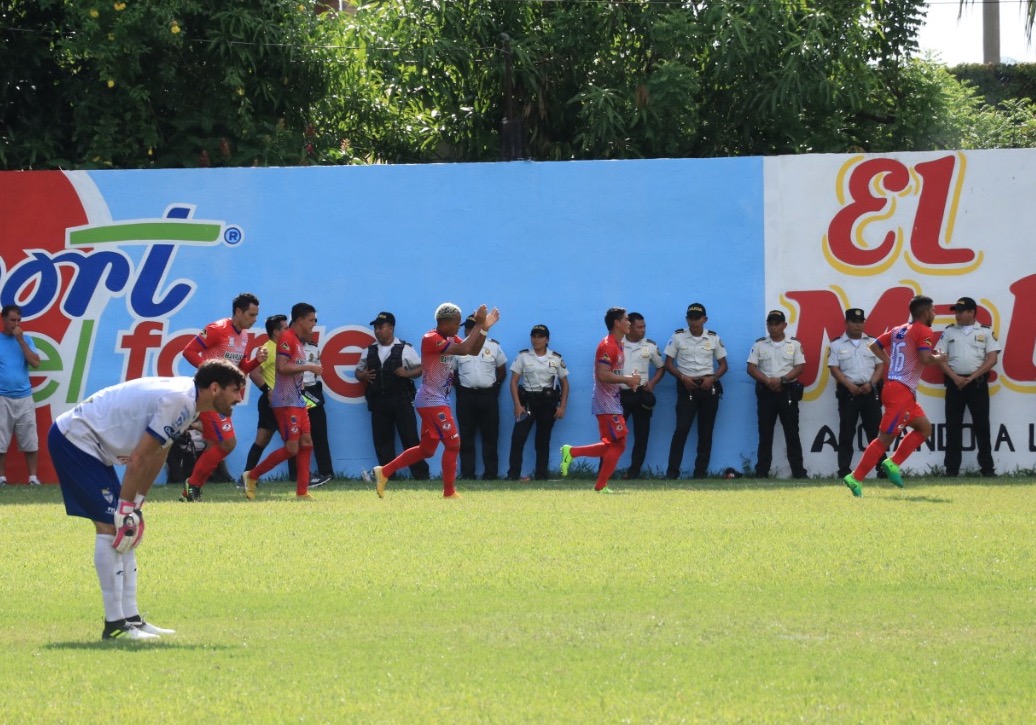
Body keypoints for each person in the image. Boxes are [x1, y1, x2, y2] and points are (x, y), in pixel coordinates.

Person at [51, 358, 246, 640]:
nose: (239, 397)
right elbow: (140, 458)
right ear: (215, 388)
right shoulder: (181, 401)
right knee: (111, 527)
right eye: (236, 390)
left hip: (91, 442)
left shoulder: (190, 404)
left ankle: (131, 619)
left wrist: (137, 503)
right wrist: (125, 509)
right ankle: (115, 626)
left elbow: (159, 452)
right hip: (75, 439)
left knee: (126, 529)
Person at [372, 303, 500, 499]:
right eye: (456, 323)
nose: (458, 327)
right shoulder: (431, 338)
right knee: (454, 444)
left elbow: (472, 351)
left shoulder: (448, 337)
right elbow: (465, 347)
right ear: (445, 322)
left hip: (439, 400)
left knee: (427, 450)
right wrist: (478, 325)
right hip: (431, 401)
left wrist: (484, 328)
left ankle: (384, 471)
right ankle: (449, 492)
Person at [842, 295, 948, 496]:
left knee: (924, 428)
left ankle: (893, 463)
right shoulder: (924, 330)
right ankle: (855, 478)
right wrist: (940, 358)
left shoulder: (899, 329)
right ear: (925, 313)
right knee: (884, 439)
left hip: (899, 388)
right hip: (900, 390)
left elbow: (874, 346)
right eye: (933, 310)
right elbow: (925, 359)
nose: (934, 314)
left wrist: (890, 362)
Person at [180, 292, 266, 502]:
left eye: (256, 315)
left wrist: (256, 361)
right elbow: (188, 351)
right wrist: (211, 373)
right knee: (227, 443)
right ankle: (191, 486)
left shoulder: (244, 335)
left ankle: (190, 491)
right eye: (251, 315)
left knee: (216, 445)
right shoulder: (217, 329)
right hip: (209, 394)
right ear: (238, 311)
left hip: (223, 397)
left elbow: (241, 368)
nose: (255, 320)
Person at [242, 303, 322, 500]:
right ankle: (251, 476)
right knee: (292, 448)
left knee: (307, 442)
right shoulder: (286, 339)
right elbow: (282, 367)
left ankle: (302, 492)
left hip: (297, 400)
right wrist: (309, 367)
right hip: (285, 402)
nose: (314, 324)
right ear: (300, 320)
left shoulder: (296, 340)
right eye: (311, 320)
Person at [560, 307, 641, 493]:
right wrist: (628, 380)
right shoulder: (607, 345)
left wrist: (629, 381)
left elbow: (612, 374)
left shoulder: (619, 345)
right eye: (626, 319)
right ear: (617, 323)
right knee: (619, 445)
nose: (629, 323)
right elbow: (602, 374)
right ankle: (600, 484)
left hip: (612, 400)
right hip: (605, 403)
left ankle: (572, 453)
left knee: (612, 445)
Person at [355, 312, 429, 481]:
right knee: (382, 441)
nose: (377, 331)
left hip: (401, 400)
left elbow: (421, 368)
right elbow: (358, 371)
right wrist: (363, 376)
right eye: (375, 328)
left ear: (391, 328)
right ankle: (387, 476)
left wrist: (408, 373)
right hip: (379, 401)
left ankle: (421, 475)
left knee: (410, 439)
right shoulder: (369, 350)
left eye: (381, 327)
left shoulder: (406, 349)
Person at [934, 296, 1001, 477]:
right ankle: (951, 469)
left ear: (972, 312)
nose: (957, 315)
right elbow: (939, 357)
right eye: (956, 311)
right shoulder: (949, 332)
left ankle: (987, 469)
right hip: (955, 384)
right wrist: (955, 377)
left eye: (961, 311)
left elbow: (992, 358)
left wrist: (972, 377)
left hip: (977, 384)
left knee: (982, 427)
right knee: (953, 426)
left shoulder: (985, 332)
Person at [663, 303, 728, 479]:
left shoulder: (713, 338)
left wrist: (712, 379)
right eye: (690, 318)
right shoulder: (678, 337)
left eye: (697, 318)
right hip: (687, 387)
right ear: (687, 319)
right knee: (681, 430)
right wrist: (683, 378)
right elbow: (668, 363)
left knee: (706, 432)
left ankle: (700, 473)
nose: (693, 322)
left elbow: (723, 365)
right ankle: (672, 473)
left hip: (708, 386)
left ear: (704, 319)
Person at [747, 309, 808, 479]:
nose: (773, 327)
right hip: (766, 392)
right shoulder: (759, 344)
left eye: (777, 324)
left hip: (787, 392)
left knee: (792, 433)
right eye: (770, 324)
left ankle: (798, 472)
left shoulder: (794, 344)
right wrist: (768, 381)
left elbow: (800, 367)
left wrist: (782, 380)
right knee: (765, 433)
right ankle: (762, 472)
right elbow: (751, 368)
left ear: (784, 325)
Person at [828, 308, 886, 479]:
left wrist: (871, 383)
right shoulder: (836, 344)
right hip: (848, 393)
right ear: (846, 323)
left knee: (876, 433)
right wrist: (848, 385)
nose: (858, 324)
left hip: (870, 391)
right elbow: (834, 369)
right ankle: (844, 470)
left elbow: (880, 366)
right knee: (846, 432)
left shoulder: (873, 342)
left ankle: (882, 468)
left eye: (861, 321)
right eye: (854, 321)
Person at [506, 324, 569, 481]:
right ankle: (513, 475)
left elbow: (565, 384)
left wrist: (562, 406)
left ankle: (541, 475)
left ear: (547, 339)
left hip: (547, 404)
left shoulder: (555, 358)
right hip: (527, 402)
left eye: (540, 336)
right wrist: (517, 405)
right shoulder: (523, 357)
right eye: (534, 336)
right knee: (518, 438)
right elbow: (513, 382)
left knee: (543, 440)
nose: (536, 339)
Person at [454, 314, 507, 480]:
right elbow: (453, 372)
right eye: (467, 327)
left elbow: (501, 370)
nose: (469, 330)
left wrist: (494, 389)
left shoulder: (493, 347)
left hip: (487, 396)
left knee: (490, 436)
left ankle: (490, 474)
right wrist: (461, 388)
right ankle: (467, 473)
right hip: (466, 396)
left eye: (473, 327)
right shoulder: (458, 348)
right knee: (466, 436)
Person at [242, 314, 286, 487]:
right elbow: (254, 373)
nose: (289, 332)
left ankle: (249, 475)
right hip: (273, 403)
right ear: (276, 332)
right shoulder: (269, 349)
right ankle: (248, 476)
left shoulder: (283, 349)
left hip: (283, 401)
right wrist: (268, 391)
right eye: (285, 328)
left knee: (289, 441)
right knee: (290, 441)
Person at [619, 312, 665, 480]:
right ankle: (606, 470)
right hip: (620, 395)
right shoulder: (617, 344)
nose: (643, 330)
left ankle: (634, 472)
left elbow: (661, 367)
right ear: (629, 327)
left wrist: (652, 383)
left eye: (644, 327)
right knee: (614, 435)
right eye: (639, 327)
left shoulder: (650, 346)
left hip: (640, 394)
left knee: (642, 435)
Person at [0, 304, 42, 486]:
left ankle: (33, 478)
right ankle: (1, 478)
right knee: (0, 440)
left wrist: (21, 341)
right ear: (3, 319)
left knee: (30, 440)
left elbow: (35, 363)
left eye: (18, 320)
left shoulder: (26, 340)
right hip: (2, 397)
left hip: (24, 397)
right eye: (12, 320)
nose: (15, 324)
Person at [288, 339, 334, 487]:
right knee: (295, 435)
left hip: (311, 391)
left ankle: (326, 472)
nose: (312, 327)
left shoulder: (313, 347)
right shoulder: (286, 346)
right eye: (309, 322)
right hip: (293, 392)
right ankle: (296, 474)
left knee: (320, 433)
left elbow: (317, 371)